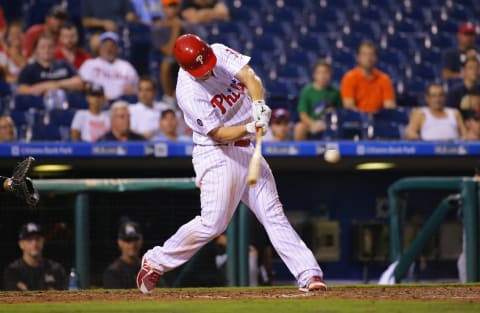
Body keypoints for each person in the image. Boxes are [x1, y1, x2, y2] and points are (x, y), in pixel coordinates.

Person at [136, 34, 326, 294]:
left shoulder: (217, 52)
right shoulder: (188, 92)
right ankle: (155, 261)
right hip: (216, 154)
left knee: (273, 214)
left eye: (208, 63)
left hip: (246, 150)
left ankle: (309, 274)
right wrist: (250, 126)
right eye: (201, 69)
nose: (209, 70)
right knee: (212, 224)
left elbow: (250, 77)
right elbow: (218, 133)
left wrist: (259, 104)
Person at [3, 222, 67, 291]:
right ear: (21, 244)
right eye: (29, 239)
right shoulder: (13, 271)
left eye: (38, 239)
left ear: (43, 241)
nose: (34, 243)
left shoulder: (56, 269)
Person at [17, 34, 84, 96]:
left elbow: (79, 82)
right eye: (43, 47)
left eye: (50, 47)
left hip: (67, 103)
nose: (47, 50)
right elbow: (22, 90)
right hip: (38, 106)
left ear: (55, 48)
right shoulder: (28, 69)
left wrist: (57, 84)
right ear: (36, 50)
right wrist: (45, 86)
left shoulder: (64, 64)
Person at [79, 32, 139, 101]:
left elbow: (138, 89)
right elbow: (83, 85)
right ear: (100, 48)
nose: (108, 49)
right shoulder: (90, 64)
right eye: (105, 45)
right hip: (98, 103)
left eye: (112, 46)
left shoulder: (127, 67)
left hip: (122, 104)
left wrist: (133, 92)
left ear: (117, 49)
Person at [340, 41, 396, 113]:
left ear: (376, 58)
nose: (368, 58)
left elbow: (389, 107)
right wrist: (366, 117)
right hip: (357, 121)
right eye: (365, 55)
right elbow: (349, 106)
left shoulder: (384, 79)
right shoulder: (349, 78)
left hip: (379, 120)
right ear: (358, 58)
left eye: (371, 55)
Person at [294, 60, 342, 140]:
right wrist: (314, 124)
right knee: (299, 127)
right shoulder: (307, 92)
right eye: (319, 73)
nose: (323, 76)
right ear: (314, 75)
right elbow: (303, 115)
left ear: (330, 74)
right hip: (312, 124)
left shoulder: (335, 92)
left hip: (330, 124)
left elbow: (341, 112)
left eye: (326, 73)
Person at [151, 0, 184, 100]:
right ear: (164, 9)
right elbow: (169, 52)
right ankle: (169, 97)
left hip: (185, 58)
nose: (173, 10)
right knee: (167, 63)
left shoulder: (187, 26)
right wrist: (176, 29)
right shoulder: (158, 29)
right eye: (170, 7)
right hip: (170, 60)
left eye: (175, 6)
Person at [103, 221, 144, 289]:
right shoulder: (113, 272)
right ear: (120, 242)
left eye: (135, 239)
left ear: (141, 241)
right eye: (127, 240)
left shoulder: (148, 268)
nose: (132, 244)